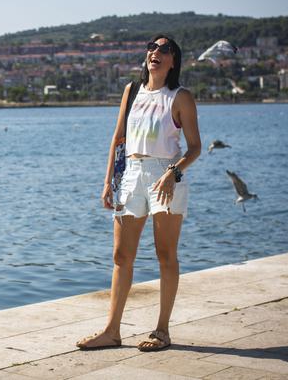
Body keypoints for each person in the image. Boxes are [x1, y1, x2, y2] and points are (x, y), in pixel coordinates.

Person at [76, 35, 201, 351]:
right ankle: (111, 332)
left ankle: (162, 331)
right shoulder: (131, 91)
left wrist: (174, 173)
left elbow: (195, 147)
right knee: (121, 256)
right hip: (131, 174)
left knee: (165, 254)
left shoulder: (180, 97)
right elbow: (118, 139)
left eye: (164, 49)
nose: (155, 52)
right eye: (152, 47)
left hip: (165, 176)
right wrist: (108, 182)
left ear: (173, 61)